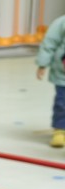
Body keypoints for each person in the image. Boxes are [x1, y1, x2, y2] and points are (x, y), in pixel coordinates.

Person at [36, 13, 65, 148]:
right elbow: (49, 43)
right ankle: (60, 130)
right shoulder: (61, 23)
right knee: (62, 103)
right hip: (62, 75)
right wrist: (42, 64)